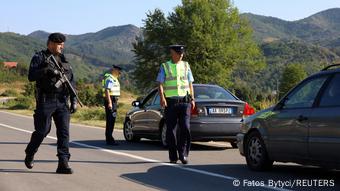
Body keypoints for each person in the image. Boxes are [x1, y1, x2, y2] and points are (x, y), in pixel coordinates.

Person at [24, 32, 77, 174]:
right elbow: (31, 76)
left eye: (62, 44)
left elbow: (71, 81)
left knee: (64, 133)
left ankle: (63, 163)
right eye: (59, 44)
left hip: (62, 101)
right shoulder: (39, 57)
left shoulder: (64, 60)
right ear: (51, 43)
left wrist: (73, 100)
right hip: (46, 100)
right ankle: (30, 152)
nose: (62, 46)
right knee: (42, 131)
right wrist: (46, 69)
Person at [156, 44, 195, 164]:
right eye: (179, 53)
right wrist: (162, 98)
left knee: (185, 127)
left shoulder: (186, 65)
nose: (181, 55)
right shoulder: (165, 66)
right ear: (172, 53)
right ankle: (173, 156)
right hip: (171, 103)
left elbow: (190, 84)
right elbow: (160, 84)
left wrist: (192, 99)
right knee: (171, 130)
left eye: (182, 54)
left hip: (185, 102)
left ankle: (183, 154)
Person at [102, 65, 122, 145]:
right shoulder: (110, 79)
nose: (120, 73)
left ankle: (109, 138)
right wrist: (110, 102)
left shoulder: (114, 78)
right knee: (110, 120)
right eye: (118, 71)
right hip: (111, 100)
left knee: (111, 120)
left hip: (113, 100)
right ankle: (110, 139)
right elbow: (107, 91)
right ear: (114, 70)